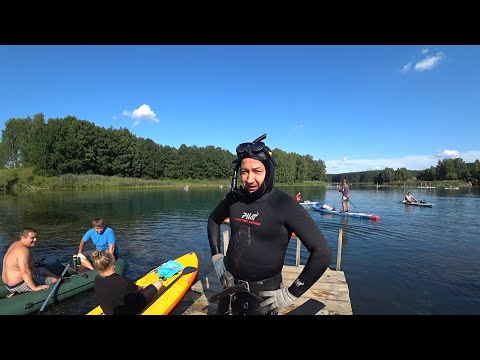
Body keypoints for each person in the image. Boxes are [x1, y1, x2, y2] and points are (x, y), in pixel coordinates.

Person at [207, 133, 332, 315]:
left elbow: (322, 252)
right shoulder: (234, 199)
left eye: (257, 171)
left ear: (268, 172)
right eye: (244, 171)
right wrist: (216, 256)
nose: (249, 179)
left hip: (264, 298)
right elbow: (213, 220)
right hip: (229, 287)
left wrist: (291, 294)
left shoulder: (283, 204)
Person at [91, 250, 163, 315]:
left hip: (107, 311)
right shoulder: (121, 280)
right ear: (111, 264)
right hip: (128, 311)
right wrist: (143, 287)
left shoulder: (97, 279)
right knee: (159, 283)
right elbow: (137, 289)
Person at [2, 227, 59, 295]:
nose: (35, 239)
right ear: (23, 238)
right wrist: (34, 287)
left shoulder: (15, 244)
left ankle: (60, 278)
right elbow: (25, 272)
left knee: (42, 270)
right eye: (32, 238)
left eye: (36, 237)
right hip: (20, 284)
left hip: (8, 284)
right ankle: (60, 281)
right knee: (54, 280)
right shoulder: (23, 251)